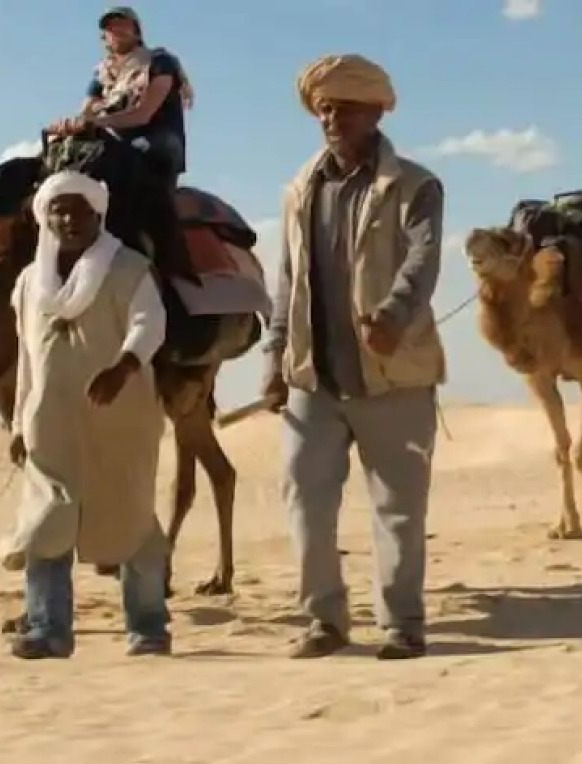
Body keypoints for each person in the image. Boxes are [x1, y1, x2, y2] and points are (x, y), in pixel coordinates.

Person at [259, 53, 447, 662]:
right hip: (313, 377)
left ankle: (402, 624)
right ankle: (324, 621)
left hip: (393, 374)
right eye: (324, 107)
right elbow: (287, 279)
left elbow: (423, 262)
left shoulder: (416, 185)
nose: (330, 117)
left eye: (343, 106)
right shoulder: (298, 189)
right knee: (304, 501)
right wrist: (273, 359)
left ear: (375, 110)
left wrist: (393, 315)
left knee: (397, 508)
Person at [0, 170, 173, 660]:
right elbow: (27, 358)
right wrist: (17, 423)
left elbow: (150, 323)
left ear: (98, 214)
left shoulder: (129, 269)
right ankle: (47, 629)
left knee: (131, 517)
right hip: (48, 420)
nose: (68, 218)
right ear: (45, 216)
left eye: (78, 210)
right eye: (59, 209)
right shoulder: (32, 281)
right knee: (45, 521)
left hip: (120, 417)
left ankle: (148, 628)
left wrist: (123, 367)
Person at [45, 6, 196, 280]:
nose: (117, 30)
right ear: (104, 37)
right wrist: (69, 126)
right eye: (110, 27)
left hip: (155, 146)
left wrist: (96, 124)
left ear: (136, 31)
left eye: (123, 24)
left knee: (132, 186)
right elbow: (86, 113)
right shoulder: (101, 76)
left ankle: (166, 267)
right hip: (112, 149)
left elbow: (144, 113)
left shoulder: (159, 62)